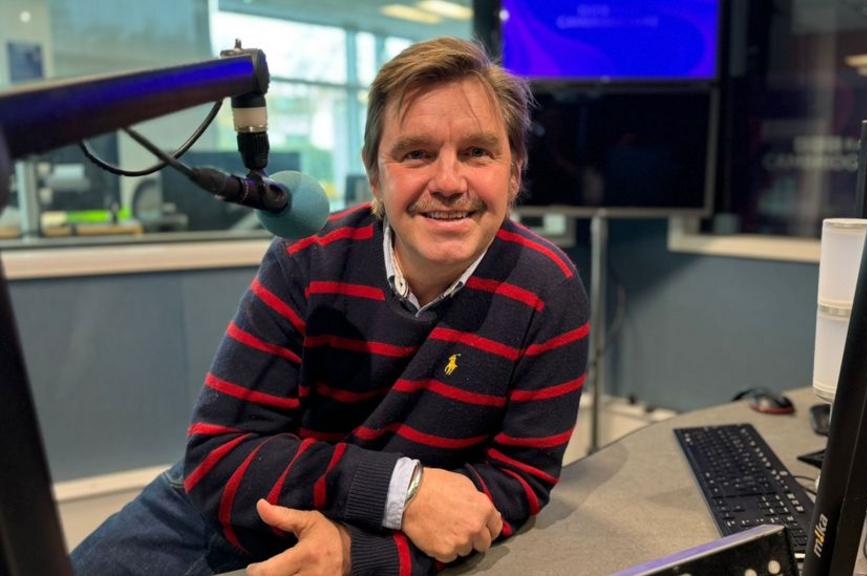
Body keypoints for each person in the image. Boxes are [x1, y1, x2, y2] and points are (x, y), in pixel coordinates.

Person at [72, 36, 590, 576]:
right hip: (228, 512)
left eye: (477, 152)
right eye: (416, 153)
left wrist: (356, 555)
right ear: (374, 175)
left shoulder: (547, 292)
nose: (449, 182)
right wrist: (400, 491)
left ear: (513, 172)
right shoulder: (309, 257)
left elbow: (515, 482)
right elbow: (219, 457)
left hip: (375, 539)